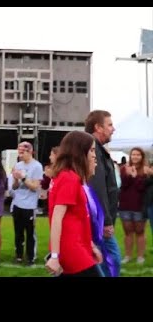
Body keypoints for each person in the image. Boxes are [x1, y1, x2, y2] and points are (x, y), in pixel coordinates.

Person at [45, 130, 103, 277]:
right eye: (91, 150)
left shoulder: (69, 177)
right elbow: (57, 218)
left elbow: (79, 217)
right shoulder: (69, 178)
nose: (94, 155)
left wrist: (90, 245)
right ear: (79, 151)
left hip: (77, 247)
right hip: (73, 250)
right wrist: (55, 256)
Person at [85, 110, 121, 277]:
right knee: (111, 261)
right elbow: (98, 189)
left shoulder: (98, 149)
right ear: (98, 127)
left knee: (102, 261)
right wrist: (105, 221)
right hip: (99, 222)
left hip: (99, 220)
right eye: (110, 125)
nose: (113, 129)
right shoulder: (94, 150)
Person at [8, 141, 43, 265]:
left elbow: (35, 186)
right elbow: (15, 187)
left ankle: (30, 257)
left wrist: (23, 178)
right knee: (18, 232)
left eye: (22, 152)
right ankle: (18, 255)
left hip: (29, 205)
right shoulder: (18, 165)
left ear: (29, 151)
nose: (20, 155)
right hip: (17, 203)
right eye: (19, 152)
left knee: (30, 233)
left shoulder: (37, 166)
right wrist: (16, 179)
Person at [118, 147, 148, 264]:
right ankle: (128, 256)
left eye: (138, 155)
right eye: (133, 154)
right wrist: (129, 175)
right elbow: (124, 186)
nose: (135, 157)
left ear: (142, 157)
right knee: (128, 232)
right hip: (125, 206)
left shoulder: (145, 170)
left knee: (140, 232)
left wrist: (136, 177)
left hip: (139, 206)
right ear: (130, 156)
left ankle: (140, 256)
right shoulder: (124, 169)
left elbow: (141, 188)